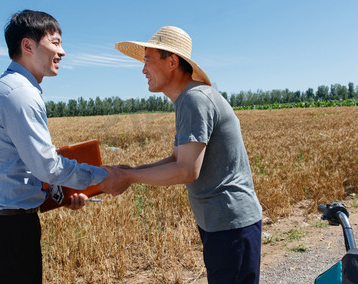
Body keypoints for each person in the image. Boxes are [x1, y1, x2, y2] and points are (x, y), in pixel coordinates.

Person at [0, 9, 121, 283]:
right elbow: (48, 166)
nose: (62, 52)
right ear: (28, 45)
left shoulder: (12, 88)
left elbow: (22, 169)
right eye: (56, 42)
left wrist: (61, 193)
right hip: (4, 234)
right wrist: (106, 177)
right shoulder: (20, 94)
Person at [105, 26, 263, 284]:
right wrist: (131, 171)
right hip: (220, 223)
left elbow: (187, 170)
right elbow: (176, 159)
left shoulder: (195, 99)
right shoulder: (188, 100)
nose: (143, 70)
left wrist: (128, 177)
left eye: (147, 60)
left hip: (230, 225)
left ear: (172, 62)